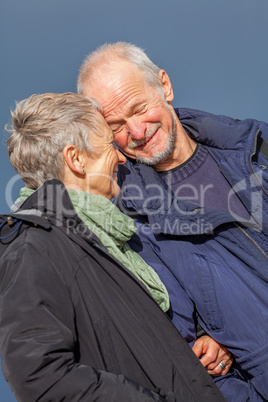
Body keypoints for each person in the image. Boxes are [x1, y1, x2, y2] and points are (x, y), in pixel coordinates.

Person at [0, 92, 227, 402]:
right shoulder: (35, 244)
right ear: (76, 159)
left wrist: (200, 341)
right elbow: (40, 377)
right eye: (109, 145)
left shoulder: (110, 235)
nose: (122, 157)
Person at [77, 42, 268, 401]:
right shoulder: (132, 225)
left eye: (139, 108)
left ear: (164, 85)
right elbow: (180, 353)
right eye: (115, 125)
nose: (136, 131)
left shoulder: (258, 144)